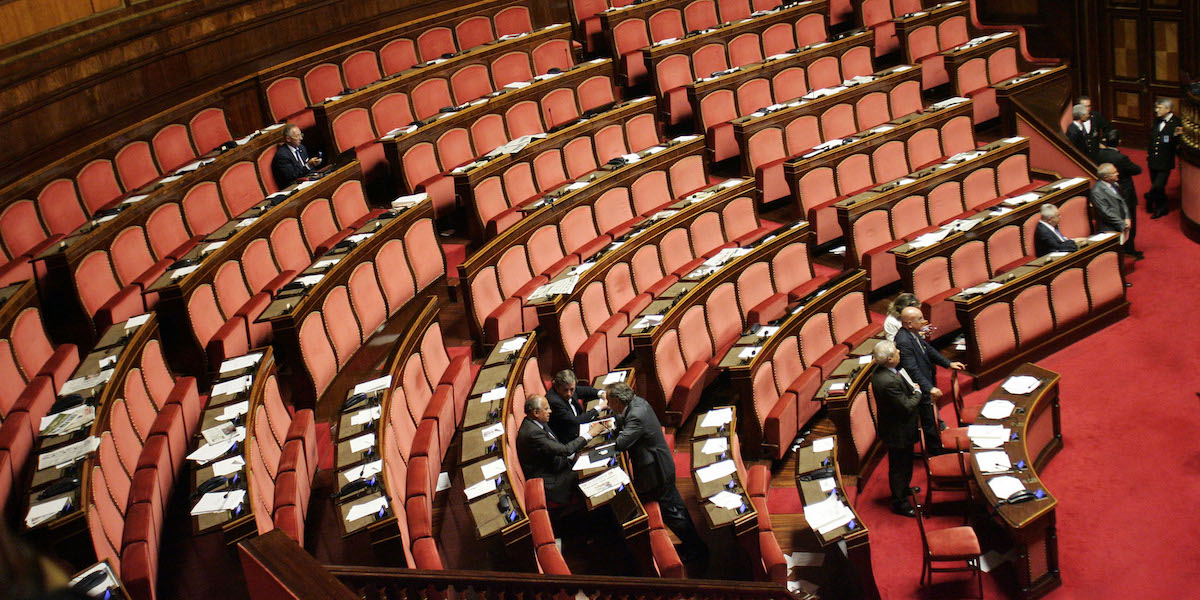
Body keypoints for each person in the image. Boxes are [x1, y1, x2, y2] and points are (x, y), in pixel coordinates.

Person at [605, 381, 708, 564]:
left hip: (656, 473)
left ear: (619, 401)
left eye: (609, 401)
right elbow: (624, 421)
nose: (607, 405)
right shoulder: (638, 402)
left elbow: (621, 443)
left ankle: (696, 550)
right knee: (675, 509)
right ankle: (694, 545)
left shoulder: (636, 415)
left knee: (673, 513)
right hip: (658, 466)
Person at [894, 307, 966, 453]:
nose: (924, 321)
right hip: (920, 386)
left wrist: (948, 363)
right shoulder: (903, 341)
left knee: (932, 416)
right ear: (909, 323)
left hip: (926, 379)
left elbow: (929, 350)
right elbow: (912, 369)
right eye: (920, 319)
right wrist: (929, 388)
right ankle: (935, 451)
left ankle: (939, 441)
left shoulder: (913, 333)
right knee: (928, 421)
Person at [516, 395, 608, 506]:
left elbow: (558, 446)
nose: (550, 411)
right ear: (536, 413)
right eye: (546, 409)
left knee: (593, 460)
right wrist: (590, 434)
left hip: (558, 464)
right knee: (594, 472)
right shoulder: (532, 433)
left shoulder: (536, 422)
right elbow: (565, 450)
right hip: (553, 479)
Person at [869, 340, 922, 517]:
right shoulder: (888, 381)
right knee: (899, 467)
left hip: (897, 427)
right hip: (898, 431)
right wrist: (917, 393)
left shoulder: (883, 371)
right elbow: (907, 406)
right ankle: (900, 503)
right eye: (896, 351)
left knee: (904, 463)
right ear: (890, 359)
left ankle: (904, 489)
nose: (900, 351)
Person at [1095, 129, 1144, 259]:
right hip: (1125, 191)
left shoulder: (1099, 154)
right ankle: (1130, 250)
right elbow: (1137, 170)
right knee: (1129, 221)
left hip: (1113, 190)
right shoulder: (1121, 158)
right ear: (1119, 142)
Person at [546, 370, 607, 442]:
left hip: (580, 428)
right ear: (557, 388)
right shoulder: (554, 402)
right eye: (565, 390)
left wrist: (601, 394)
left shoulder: (569, 387)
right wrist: (600, 407)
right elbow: (575, 421)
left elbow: (585, 390)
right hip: (570, 439)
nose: (569, 393)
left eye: (572, 389)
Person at [1145, 98, 1181, 219]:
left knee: (1158, 186)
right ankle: (1162, 207)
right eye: (1156, 107)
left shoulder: (1176, 123)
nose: (1156, 110)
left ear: (1168, 109)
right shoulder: (1157, 121)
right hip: (1153, 160)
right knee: (1157, 186)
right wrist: (1149, 154)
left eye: (1159, 108)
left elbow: (1176, 142)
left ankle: (1150, 199)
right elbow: (1152, 139)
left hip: (1165, 161)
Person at [1090, 163, 1132, 241]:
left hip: (1122, 222)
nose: (1117, 174)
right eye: (1114, 173)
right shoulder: (1097, 191)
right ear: (1106, 177)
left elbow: (1122, 202)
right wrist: (1122, 224)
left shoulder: (1114, 184)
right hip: (1109, 227)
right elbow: (1106, 212)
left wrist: (1127, 218)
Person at [271, 124, 322, 188]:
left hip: (308, 181)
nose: (301, 138)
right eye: (297, 136)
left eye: (301, 135)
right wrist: (309, 165)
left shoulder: (301, 147)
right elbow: (292, 177)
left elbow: (309, 170)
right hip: (294, 186)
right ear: (288, 139)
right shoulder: (282, 156)